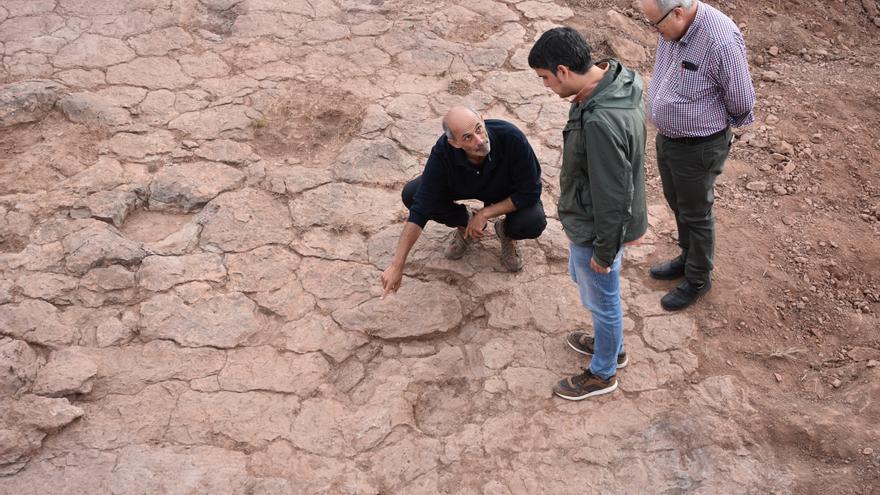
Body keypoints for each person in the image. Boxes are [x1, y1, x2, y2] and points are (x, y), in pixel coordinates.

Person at [529, 27, 647, 400]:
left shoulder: (599, 122)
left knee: (602, 297)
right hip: (605, 220)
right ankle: (610, 345)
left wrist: (604, 251)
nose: (545, 86)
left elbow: (613, 195)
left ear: (563, 70)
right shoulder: (617, 79)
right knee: (596, 292)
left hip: (600, 227)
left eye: (545, 78)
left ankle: (603, 371)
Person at [638, 0, 756, 310]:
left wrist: (709, 128)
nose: (654, 30)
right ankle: (687, 257)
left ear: (677, 12)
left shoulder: (720, 40)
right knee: (678, 202)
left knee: (696, 213)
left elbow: (742, 102)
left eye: (655, 24)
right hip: (670, 140)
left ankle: (699, 278)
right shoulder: (672, 29)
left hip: (699, 146)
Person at [380, 106, 546, 294]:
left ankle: (507, 232)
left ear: (483, 120)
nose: (479, 140)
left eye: (478, 129)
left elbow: (531, 191)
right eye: (467, 137)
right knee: (411, 194)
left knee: (533, 221)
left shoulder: (511, 137)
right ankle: (465, 221)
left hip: (504, 192)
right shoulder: (443, 152)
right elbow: (420, 208)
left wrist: (485, 213)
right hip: (463, 186)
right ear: (454, 143)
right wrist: (397, 265)